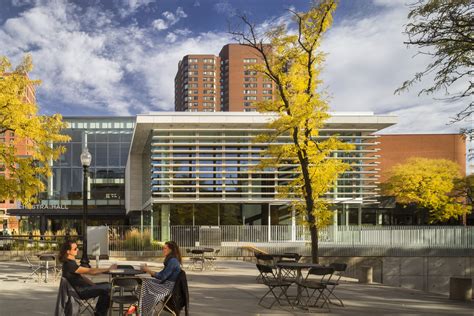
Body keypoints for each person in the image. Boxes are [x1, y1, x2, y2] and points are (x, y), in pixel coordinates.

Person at [58, 240, 116, 316]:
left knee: (107, 286)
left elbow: (82, 276)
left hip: (84, 288)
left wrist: (93, 285)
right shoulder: (69, 264)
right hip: (81, 291)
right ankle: (99, 313)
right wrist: (108, 269)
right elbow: (90, 271)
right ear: (68, 251)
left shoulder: (71, 262)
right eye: (75, 249)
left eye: (77, 248)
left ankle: (99, 312)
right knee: (109, 288)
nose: (78, 250)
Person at [139, 241, 182, 316]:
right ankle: (141, 308)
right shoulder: (171, 260)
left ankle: (144, 310)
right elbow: (162, 275)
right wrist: (148, 270)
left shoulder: (173, 261)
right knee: (143, 281)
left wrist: (148, 270)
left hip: (167, 287)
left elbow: (162, 276)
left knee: (143, 283)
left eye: (165, 248)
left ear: (170, 250)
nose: (163, 250)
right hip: (165, 284)